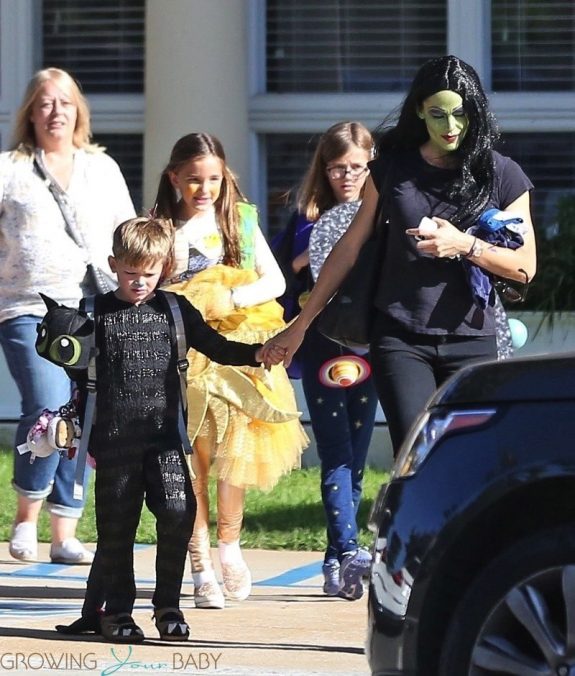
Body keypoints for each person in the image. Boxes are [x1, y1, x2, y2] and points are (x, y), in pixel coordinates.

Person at [263, 55, 537, 458]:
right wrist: (301, 324)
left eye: (461, 113)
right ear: (420, 113)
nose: (451, 127)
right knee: (415, 453)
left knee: (470, 455)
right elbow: (350, 247)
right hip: (401, 335)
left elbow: (525, 267)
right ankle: (412, 522)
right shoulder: (391, 168)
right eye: (438, 114)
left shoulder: (502, 174)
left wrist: (465, 245)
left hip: (474, 336)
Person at [42, 216, 283, 642]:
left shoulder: (175, 309)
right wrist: (60, 347)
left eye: (149, 274)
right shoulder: (94, 312)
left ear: (165, 269)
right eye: (130, 273)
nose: (139, 282)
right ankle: (116, 613)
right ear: (114, 264)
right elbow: (73, 368)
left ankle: (167, 607)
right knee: (117, 527)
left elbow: (218, 347)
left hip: (165, 439)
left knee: (178, 513)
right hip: (113, 442)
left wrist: (260, 354)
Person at [155, 132, 307, 610]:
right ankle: (199, 562)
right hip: (186, 352)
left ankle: (229, 546)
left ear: (225, 178)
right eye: (194, 180)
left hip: (237, 346)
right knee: (194, 453)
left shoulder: (239, 220)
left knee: (235, 449)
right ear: (174, 178)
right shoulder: (162, 227)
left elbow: (276, 280)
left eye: (213, 180)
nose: (204, 189)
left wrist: (232, 298)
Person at [0, 67, 136, 565]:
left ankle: (64, 530)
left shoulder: (101, 168)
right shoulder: (8, 169)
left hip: (91, 305)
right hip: (27, 304)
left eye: (64, 102)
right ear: (29, 113)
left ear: (79, 110)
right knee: (48, 402)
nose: (55, 112)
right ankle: (25, 518)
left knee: (85, 411)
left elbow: (128, 232)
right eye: (44, 103)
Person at [277, 122, 379, 600]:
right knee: (336, 451)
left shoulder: (383, 211)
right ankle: (347, 549)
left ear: (371, 164)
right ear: (323, 168)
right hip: (322, 345)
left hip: (371, 346)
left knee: (357, 457)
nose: (347, 177)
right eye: (337, 168)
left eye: (357, 167)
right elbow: (278, 275)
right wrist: (303, 263)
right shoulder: (305, 215)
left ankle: (336, 558)